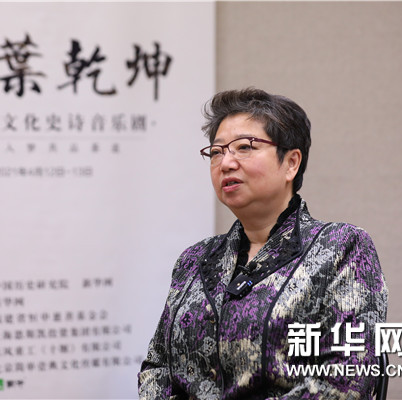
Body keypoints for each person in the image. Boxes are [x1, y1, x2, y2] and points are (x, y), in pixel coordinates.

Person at [138, 88, 388, 399]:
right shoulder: (194, 259)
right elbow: (157, 367)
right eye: (216, 152)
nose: (226, 163)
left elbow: (347, 379)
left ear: (291, 163)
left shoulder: (342, 248)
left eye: (244, 147)